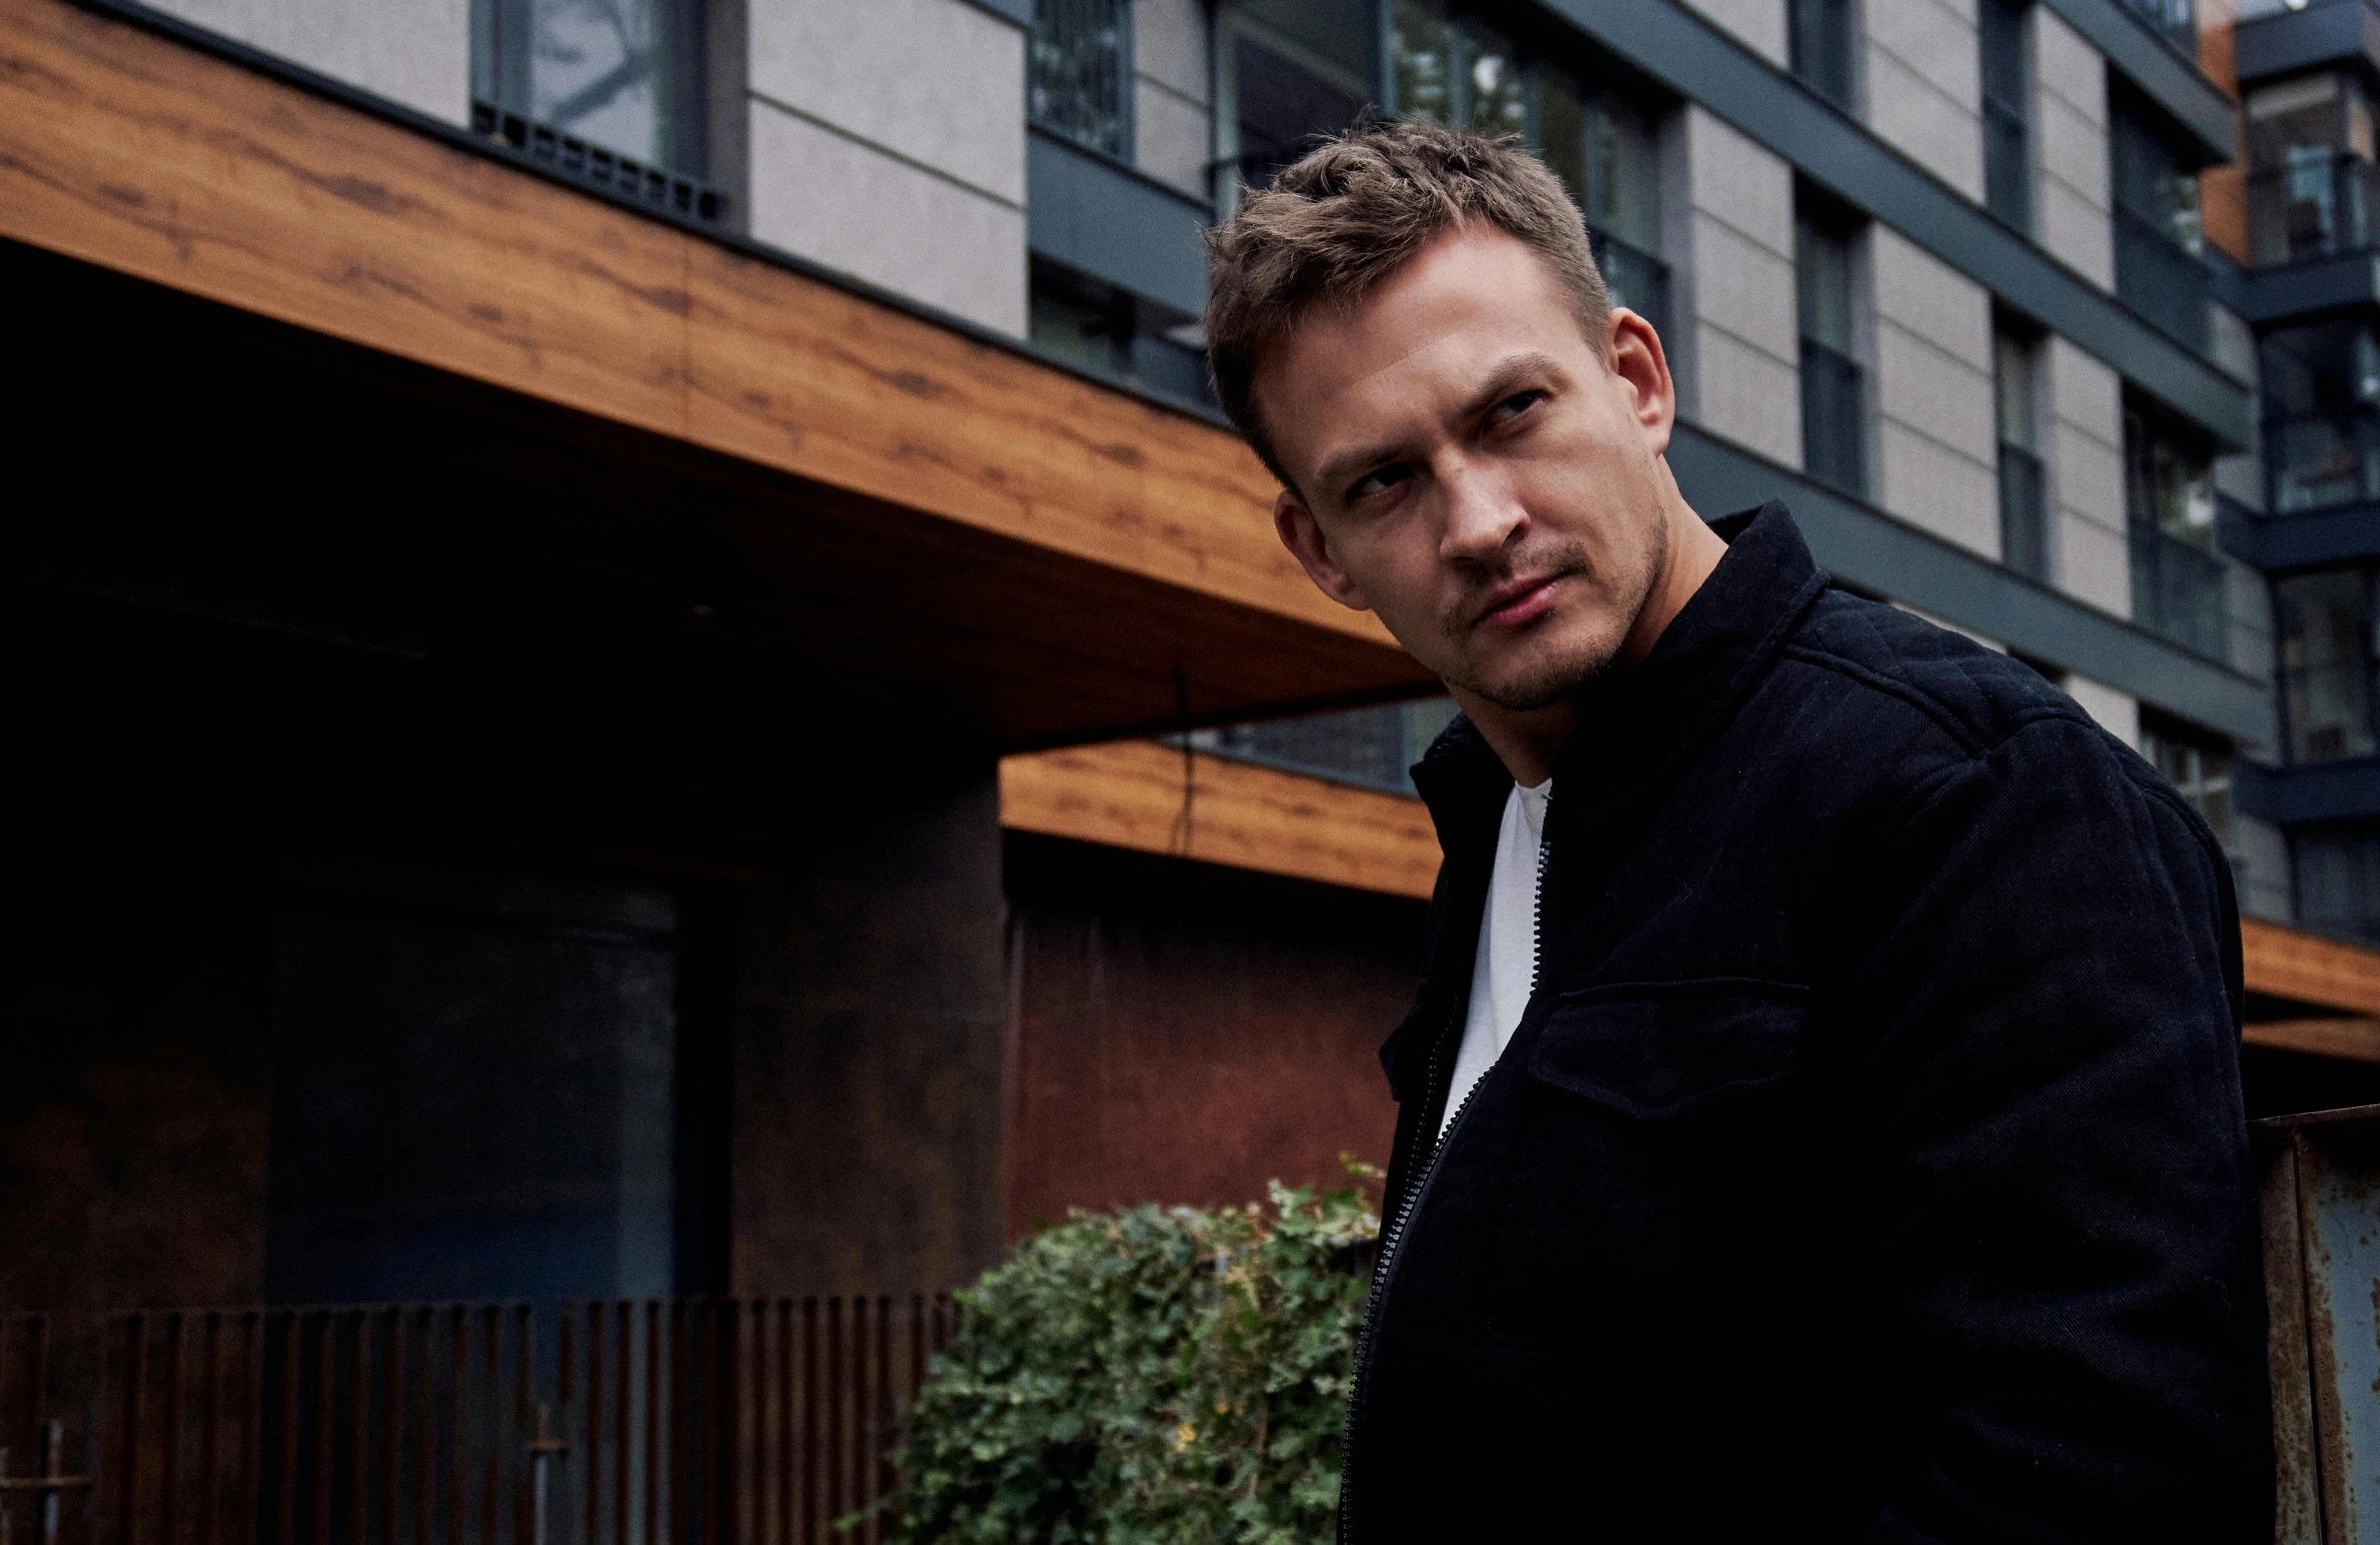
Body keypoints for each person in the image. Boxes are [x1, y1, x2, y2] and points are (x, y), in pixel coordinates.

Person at [1202, 119, 2270, 1542]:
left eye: (1510, 411)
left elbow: (2095, 1481)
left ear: (1634, 379)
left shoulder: (1976, 792)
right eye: (1381, 480)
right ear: (1319, 549)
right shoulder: (1506, 831)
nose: (1478, 520)